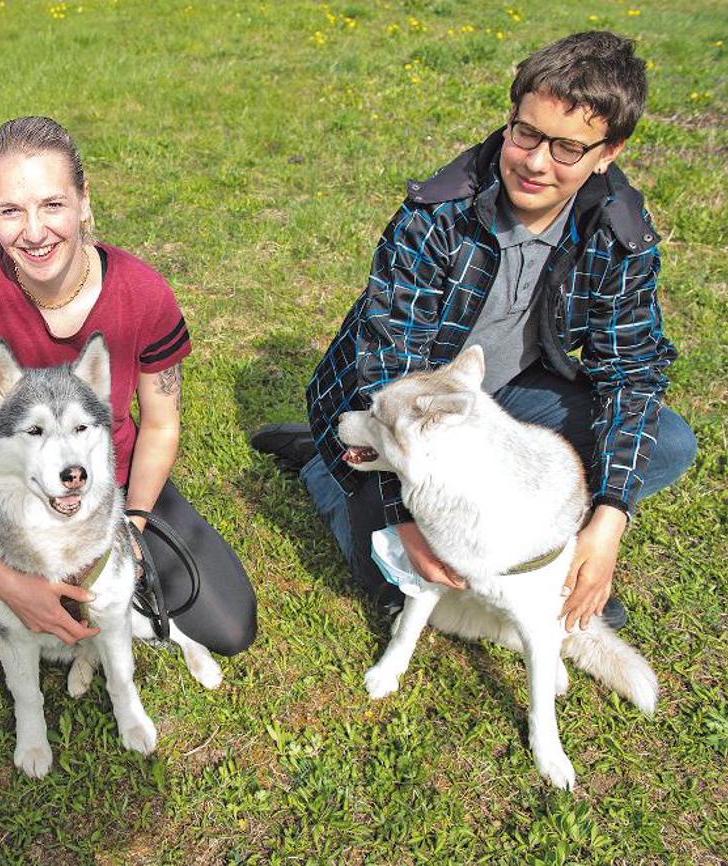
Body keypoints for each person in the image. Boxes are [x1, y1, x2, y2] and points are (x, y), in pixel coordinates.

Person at [252, 32, 696, 631]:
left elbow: (632, 375)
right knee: (395, 582)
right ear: (510, 120)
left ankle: (527, 545)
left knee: (667, 444)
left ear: (607, 152)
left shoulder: (619, 231)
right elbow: (386, 364)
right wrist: (400, 519)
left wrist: (609, 519)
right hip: (395, 406)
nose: (536, 162)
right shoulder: (437, 214)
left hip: (502, 396)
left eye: (568, 148)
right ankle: (329, 464)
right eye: (527, 133)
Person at [0, 116, 256, 657]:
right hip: (6, 482)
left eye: (52, 204)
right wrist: (4, 580)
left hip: (107, 480)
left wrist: (132, 525)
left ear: (85, 201)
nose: (34, 232)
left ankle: (105, 577)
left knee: (230, 627)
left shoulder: (144, 294)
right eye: (11, 211)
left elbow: (161, 426)